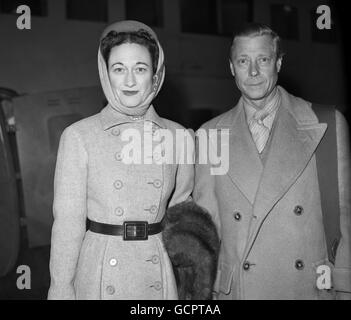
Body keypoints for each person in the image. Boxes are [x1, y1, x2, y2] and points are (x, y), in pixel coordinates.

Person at [193, 23, 351, 299]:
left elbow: (345, 217)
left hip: (306, 289)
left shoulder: (326, 124)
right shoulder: (209, 135)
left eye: (263, 60)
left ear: (278, 62)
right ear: (232, 67)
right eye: (243, 61)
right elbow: (208, 229)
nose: (253, 72)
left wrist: (345, 287)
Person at [48, 20, 194, 300]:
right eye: (118, 69)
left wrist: (190, 280)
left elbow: (181, 213)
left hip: (155, 272)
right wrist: (61, 288)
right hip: (100, 271)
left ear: (156, 74)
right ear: (105, 74)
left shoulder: (178, 137)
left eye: (140, 69)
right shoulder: (79, 136)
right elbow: (67, 224)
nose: (129, 81)